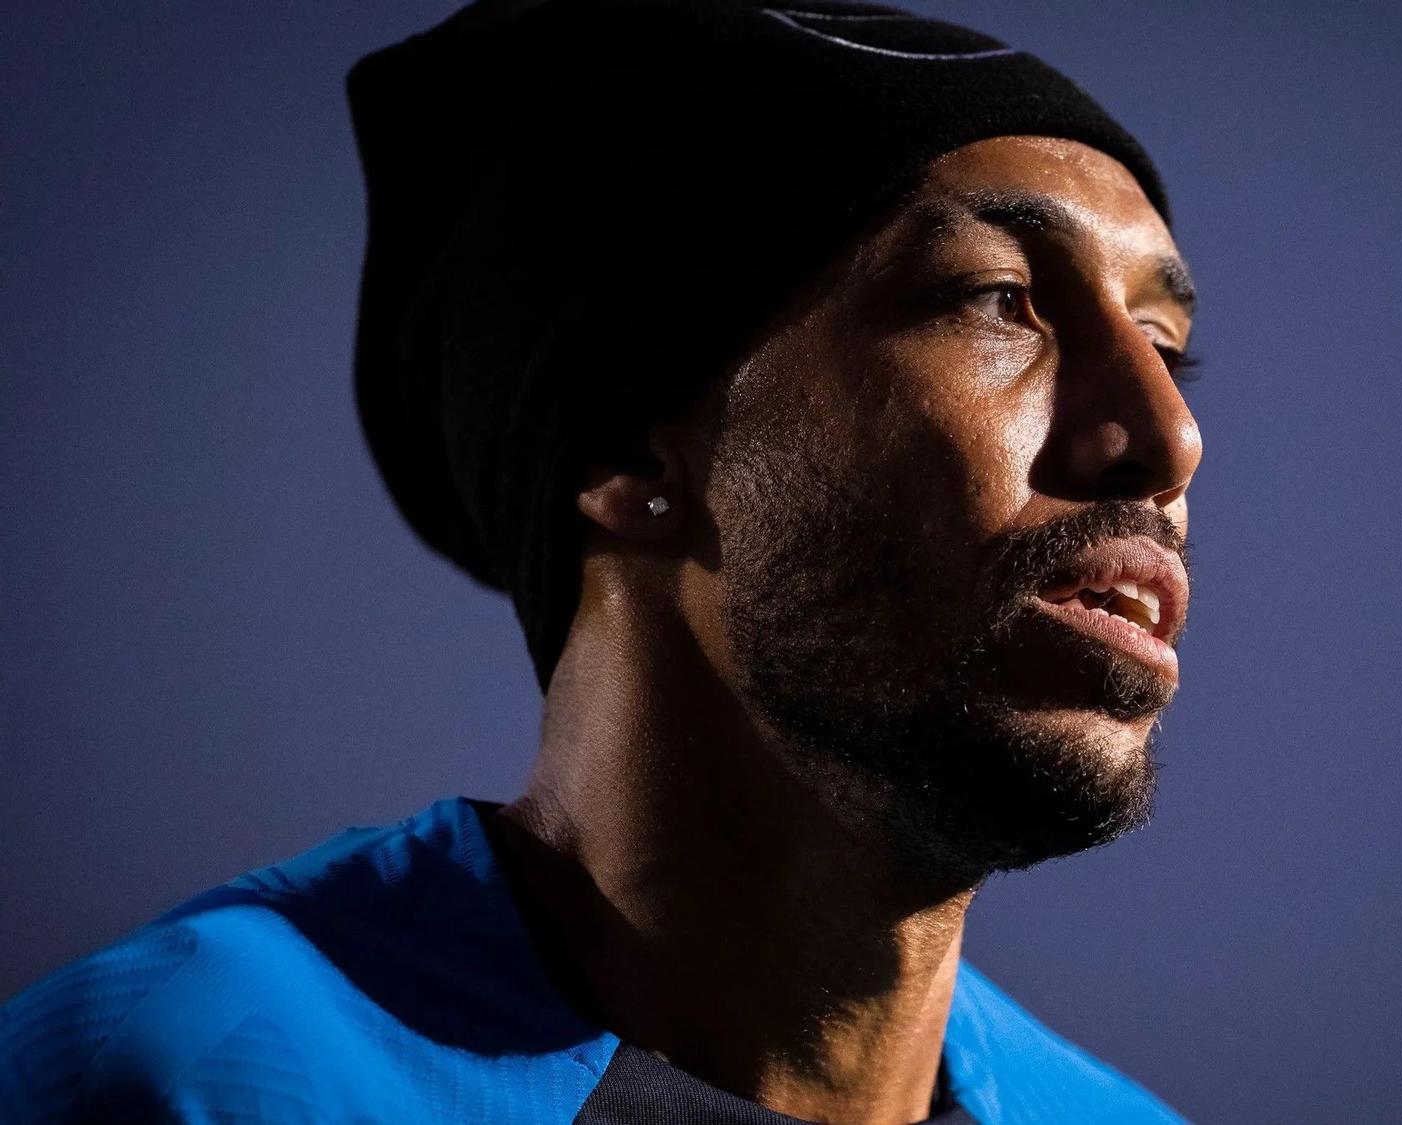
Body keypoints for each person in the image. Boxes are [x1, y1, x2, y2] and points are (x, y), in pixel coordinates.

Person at [0, 1, 1202, 1120]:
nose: (1166, 439)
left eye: (1164, 341)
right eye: (996, 298)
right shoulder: (176, 1078)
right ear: (632, 453)